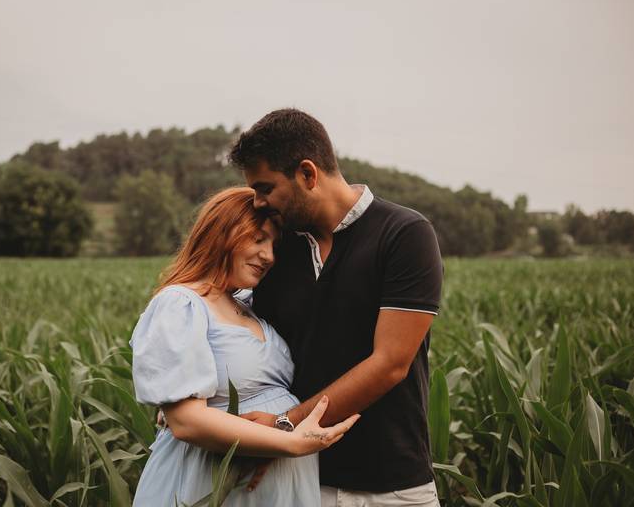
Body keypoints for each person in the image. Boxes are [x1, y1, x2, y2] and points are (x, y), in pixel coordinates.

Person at [229, 109, 443, 507]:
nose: (257, 202)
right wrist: (190, 393)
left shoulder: (404, 234)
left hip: (393, 487)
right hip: (297, 480)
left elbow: (390, 363)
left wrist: (282, 428)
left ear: (308, 174)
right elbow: (236, 330)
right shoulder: (275, 249)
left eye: (265, 188)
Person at [130, 187, 360, 506]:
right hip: (208, 484)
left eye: (273, 245)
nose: (269, 256)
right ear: (219, 233)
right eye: (257, 238)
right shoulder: (180, 304)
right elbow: (186, 421)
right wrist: (290, 443)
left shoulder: (247, 304)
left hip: (273, 488)